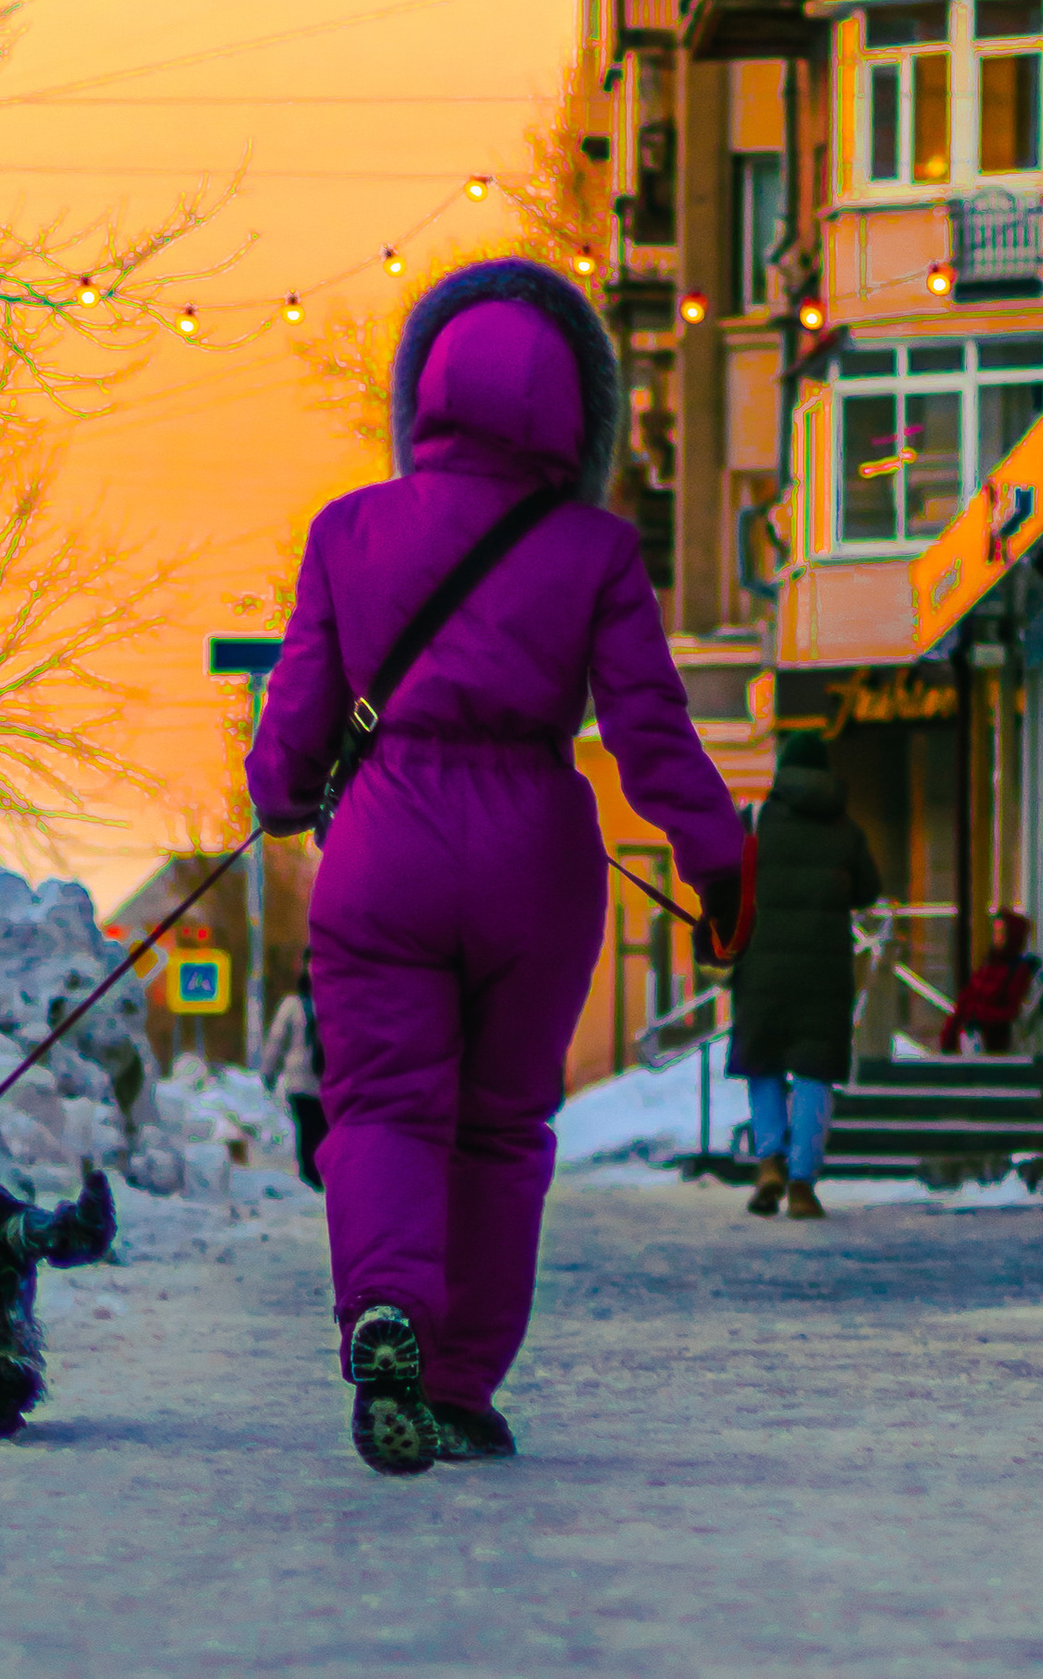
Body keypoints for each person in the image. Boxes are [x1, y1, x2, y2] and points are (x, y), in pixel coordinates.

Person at [248, 257, 746, 1477]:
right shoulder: (593, 549)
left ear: (424, 391)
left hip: (384, 849)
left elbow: (295, 722)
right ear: (581, 412)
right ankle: (460, 1380)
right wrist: (717, 856)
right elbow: (648, 729)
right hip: (535, 851)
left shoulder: (348, 530)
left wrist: (281, 797)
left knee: (382, 1106)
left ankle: (387, 1313)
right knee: (500, 1127)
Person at [730, 730, 882, 1221]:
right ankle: (801, 1184)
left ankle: (769, 1158)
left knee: (764, 1062)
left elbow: (724, 880)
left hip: (762, 966)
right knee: (815, 1071)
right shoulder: (846, 830)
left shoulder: (754, 822)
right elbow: (867, 892)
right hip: (825, 970)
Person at [262, 961, 328, 1188]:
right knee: (323, 1130)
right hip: (330, 1080)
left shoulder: (292, 1005)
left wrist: (268, 1072)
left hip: (299, 1079)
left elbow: (276, 1041)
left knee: (306, 1130)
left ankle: (309, 1179)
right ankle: (322, 1174)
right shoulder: (337, 1002)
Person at [939, 909, 1036, 1055]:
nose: (996, 938)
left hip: (995, 1041)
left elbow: (1010, 1010)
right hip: (970, 1037)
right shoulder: (987, 966)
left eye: (1002, 933)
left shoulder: (1017, 970)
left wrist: (979, 1013)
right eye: (995, 932)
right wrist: (948, 1041)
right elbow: (964, 1002)